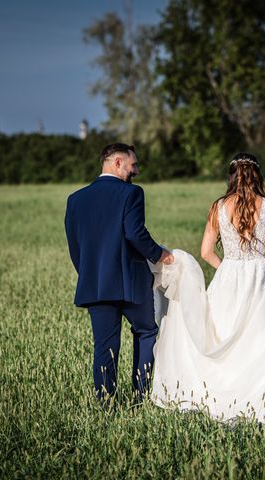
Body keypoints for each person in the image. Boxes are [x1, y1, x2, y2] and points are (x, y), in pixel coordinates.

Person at [150, 152, 265, 423]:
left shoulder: (218, 207)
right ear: (257, 175)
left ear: (232, 176)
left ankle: (225, 398)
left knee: (225, 335)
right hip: (261, 276)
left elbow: (205, 250)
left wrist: (226, 267)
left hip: (229, 276)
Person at [64, 143, 173, 404]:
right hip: (130, 283)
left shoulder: (75, 199)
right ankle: (140, 397)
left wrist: (90, 274)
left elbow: (75, 246)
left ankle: (106, 403)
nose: (136, 170)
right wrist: (160, 254)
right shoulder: (131, 193)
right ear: (117, 163)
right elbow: (135, 233)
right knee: (146, 332)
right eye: (133, 165)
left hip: (96, 285)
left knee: (105, 346)